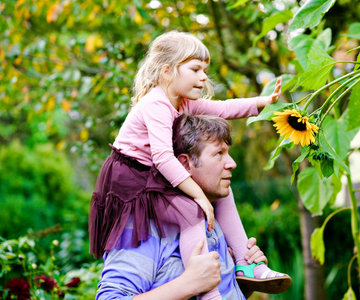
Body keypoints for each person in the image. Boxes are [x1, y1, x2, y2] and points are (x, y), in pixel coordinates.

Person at [89, 31, 286, 300]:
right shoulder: (155, 104)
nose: (203, 77)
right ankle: (208, 294)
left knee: (221, 195)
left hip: (156, 173)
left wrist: (262, 103)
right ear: (167, 70)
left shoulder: (182, 103)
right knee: (190, 212)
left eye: (205, 70)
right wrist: (198, 196)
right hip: (134, 179)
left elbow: (223, 108)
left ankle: (246, 264)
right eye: (195, 69)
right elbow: (162, 158)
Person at [96, 114, 289, 299]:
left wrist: (242, 281)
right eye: (219, 153)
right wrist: (188, 284)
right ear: (184, 164)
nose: (232, 163)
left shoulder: (213, 216)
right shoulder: (144, 225)